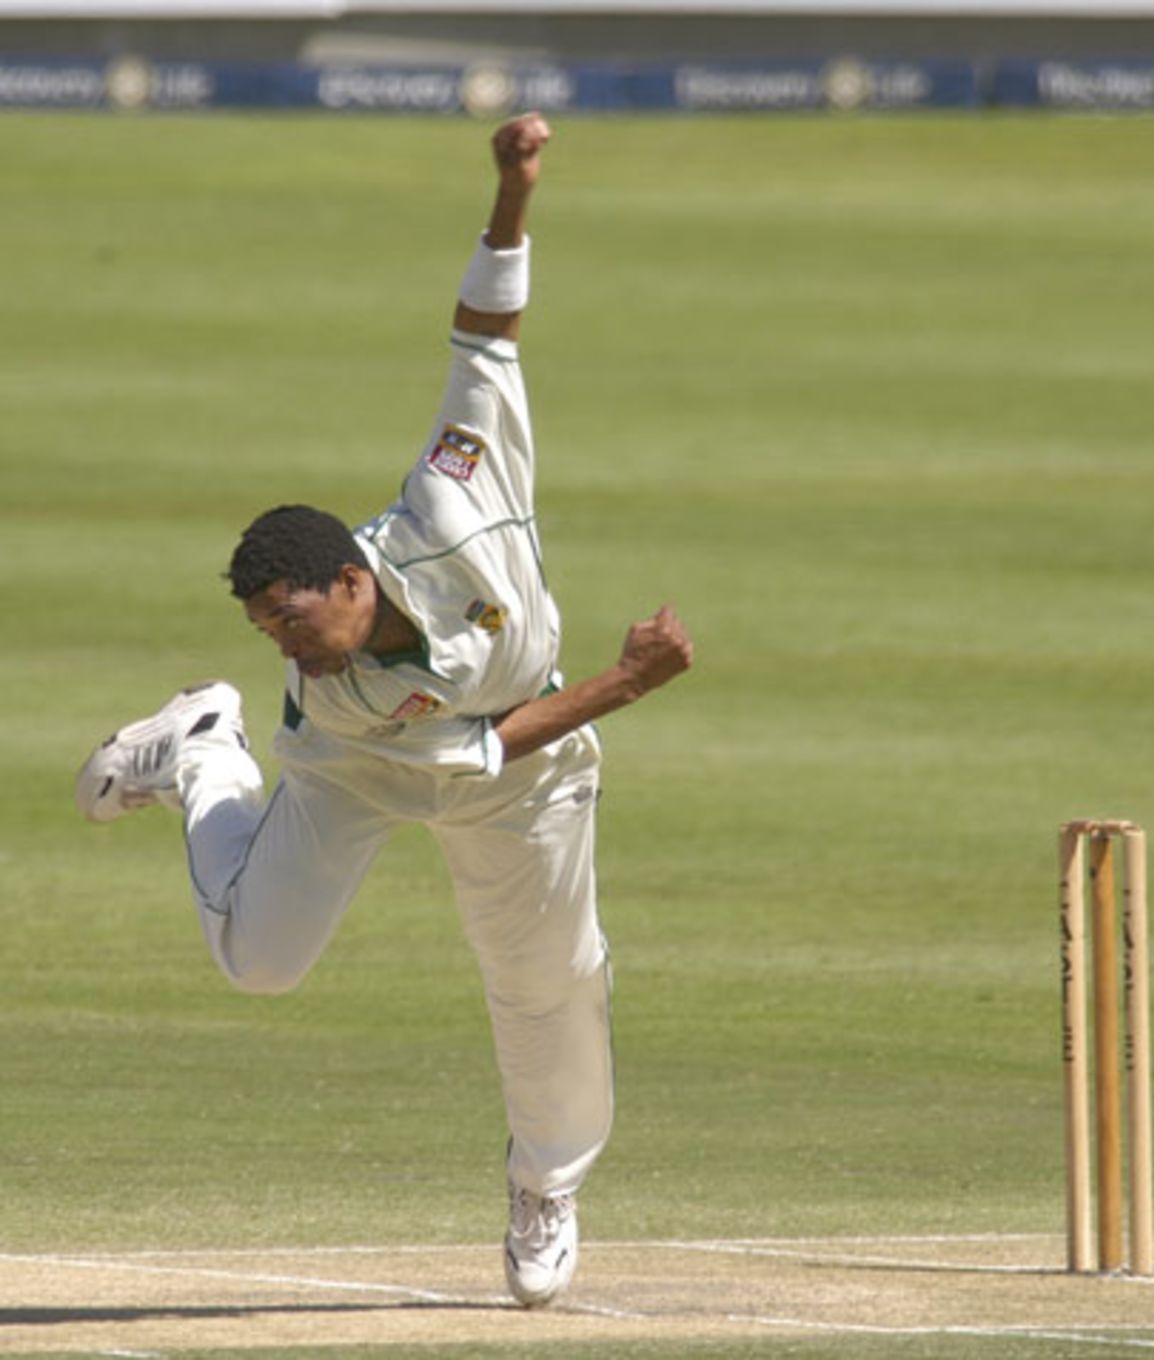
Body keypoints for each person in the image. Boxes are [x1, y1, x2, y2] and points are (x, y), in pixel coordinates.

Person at [74, 111, 693, 1309]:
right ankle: (206, 753)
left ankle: (545, 1184)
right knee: (259, 962)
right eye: (264, 633)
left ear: (353, 579)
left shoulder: (454, 494)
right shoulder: (336, 697)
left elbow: (483, 333)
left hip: (528, 776)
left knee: (547, 978)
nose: (286, 648)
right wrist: (627, 682)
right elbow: (480, 744)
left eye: (290, 619)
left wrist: (512, 186)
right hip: (375, 766)